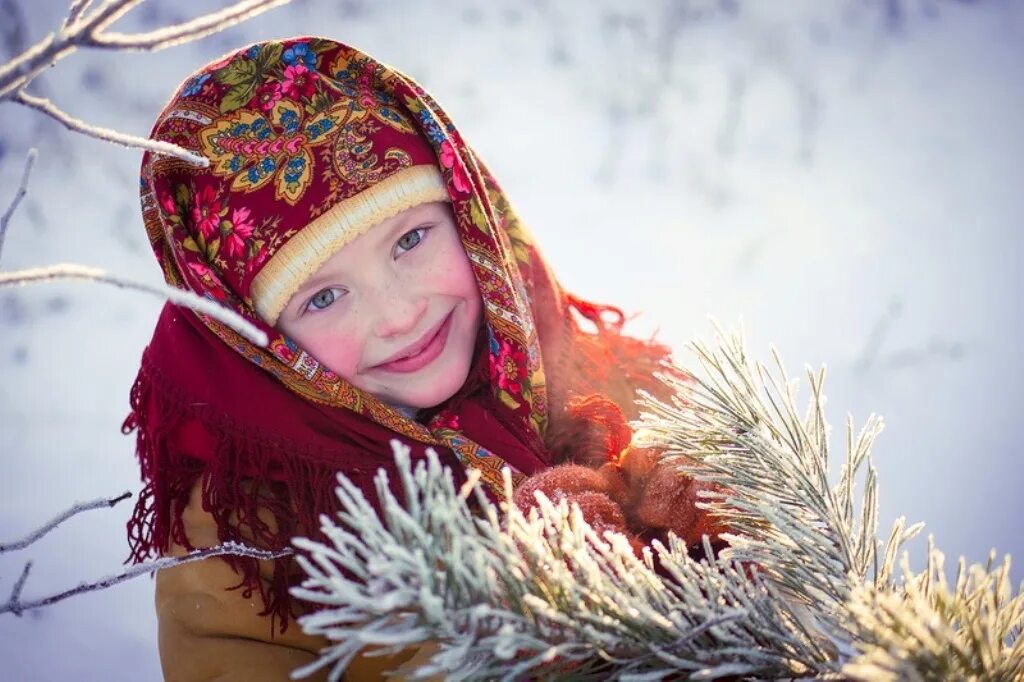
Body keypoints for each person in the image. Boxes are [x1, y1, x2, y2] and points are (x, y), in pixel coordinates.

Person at [123, 36, 716, 681]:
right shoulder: (242, 541)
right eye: (323, 296)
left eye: (410, 238)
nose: (400, 315)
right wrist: (522, 611)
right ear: (255, 341)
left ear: (469, 216)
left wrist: (699, 543)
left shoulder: (612, 388)